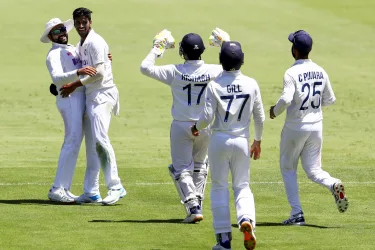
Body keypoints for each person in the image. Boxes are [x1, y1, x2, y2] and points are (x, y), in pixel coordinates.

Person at [140, 28, 230, 222]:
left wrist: (157, 48)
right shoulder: (214, 71)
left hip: (181, 126)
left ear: (183, 52)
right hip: (205, 125)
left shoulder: (174, 71)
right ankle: (197, 202)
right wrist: (225, 43)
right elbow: (231, 64)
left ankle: (193, 207)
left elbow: (145, 67)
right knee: (199, 165)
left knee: (180, 169)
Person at [269, 30, 349, 225]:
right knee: (313, 170)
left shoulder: (291, 72)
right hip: (316, 126)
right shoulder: (321, 70)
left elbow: (287, 99)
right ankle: (333, 183)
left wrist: (274, 111)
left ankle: (297, 214)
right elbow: (330, 99)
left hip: (295, 127)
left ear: (294, 50)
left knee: (288, 168)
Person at [191, 41, 264, 250]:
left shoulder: (214, 85)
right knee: (242, 186)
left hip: (219, 141)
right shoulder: (251, 83)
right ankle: (245, 220)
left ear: (221, 61)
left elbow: (206, 118)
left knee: (220, 187)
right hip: (242, 141)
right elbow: (259, 117)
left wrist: (195, 127)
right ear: (242, 60)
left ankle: (224, 241)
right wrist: (257, 141)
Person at [59, 7, 126, 205]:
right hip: (92, 96)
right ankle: (91, 191)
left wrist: (74, 85)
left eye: (84, 22)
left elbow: (100, 73)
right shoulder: (82, 44)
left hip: (102, 95)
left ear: (90, 22)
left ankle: (116, 186)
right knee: (92, 146)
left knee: (100, 140)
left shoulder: (96, 42)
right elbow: (97, 64)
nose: (80, 26)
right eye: (77, 23)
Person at [41, 17, 100, 203]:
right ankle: (58, 188)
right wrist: (78, 73)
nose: (62, 34)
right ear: (50, 37)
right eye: (57, 32)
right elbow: (57, 78)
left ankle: (63, 188)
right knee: (72, 141)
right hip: (69, 99)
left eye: (63, 30)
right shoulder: (53, 55)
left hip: (79, 97)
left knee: (75, 141)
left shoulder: (71, 48)